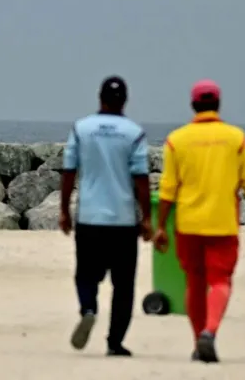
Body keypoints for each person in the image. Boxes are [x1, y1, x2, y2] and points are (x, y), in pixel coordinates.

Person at [154, 79, 245, 363]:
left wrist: (161, 226)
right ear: (218, 104)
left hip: (188, 224)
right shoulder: (236, 138)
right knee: (220, 281)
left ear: (193, 105)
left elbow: (168, 188)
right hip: (222, 223)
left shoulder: (176, 140)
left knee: (194, 282)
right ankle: (210, 331)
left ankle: (197, 343)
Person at [60, 75, 152, 357]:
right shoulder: (134, 132)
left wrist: (64, 210)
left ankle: (88, 308)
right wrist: (147, 217)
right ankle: (115, 342)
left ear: (100, 97)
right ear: (125, 101)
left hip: (90, 217)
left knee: (85, 274)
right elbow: (141, 179)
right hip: (123, 221)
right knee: (123, 285)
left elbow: (69, 171)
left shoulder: (81, 129)